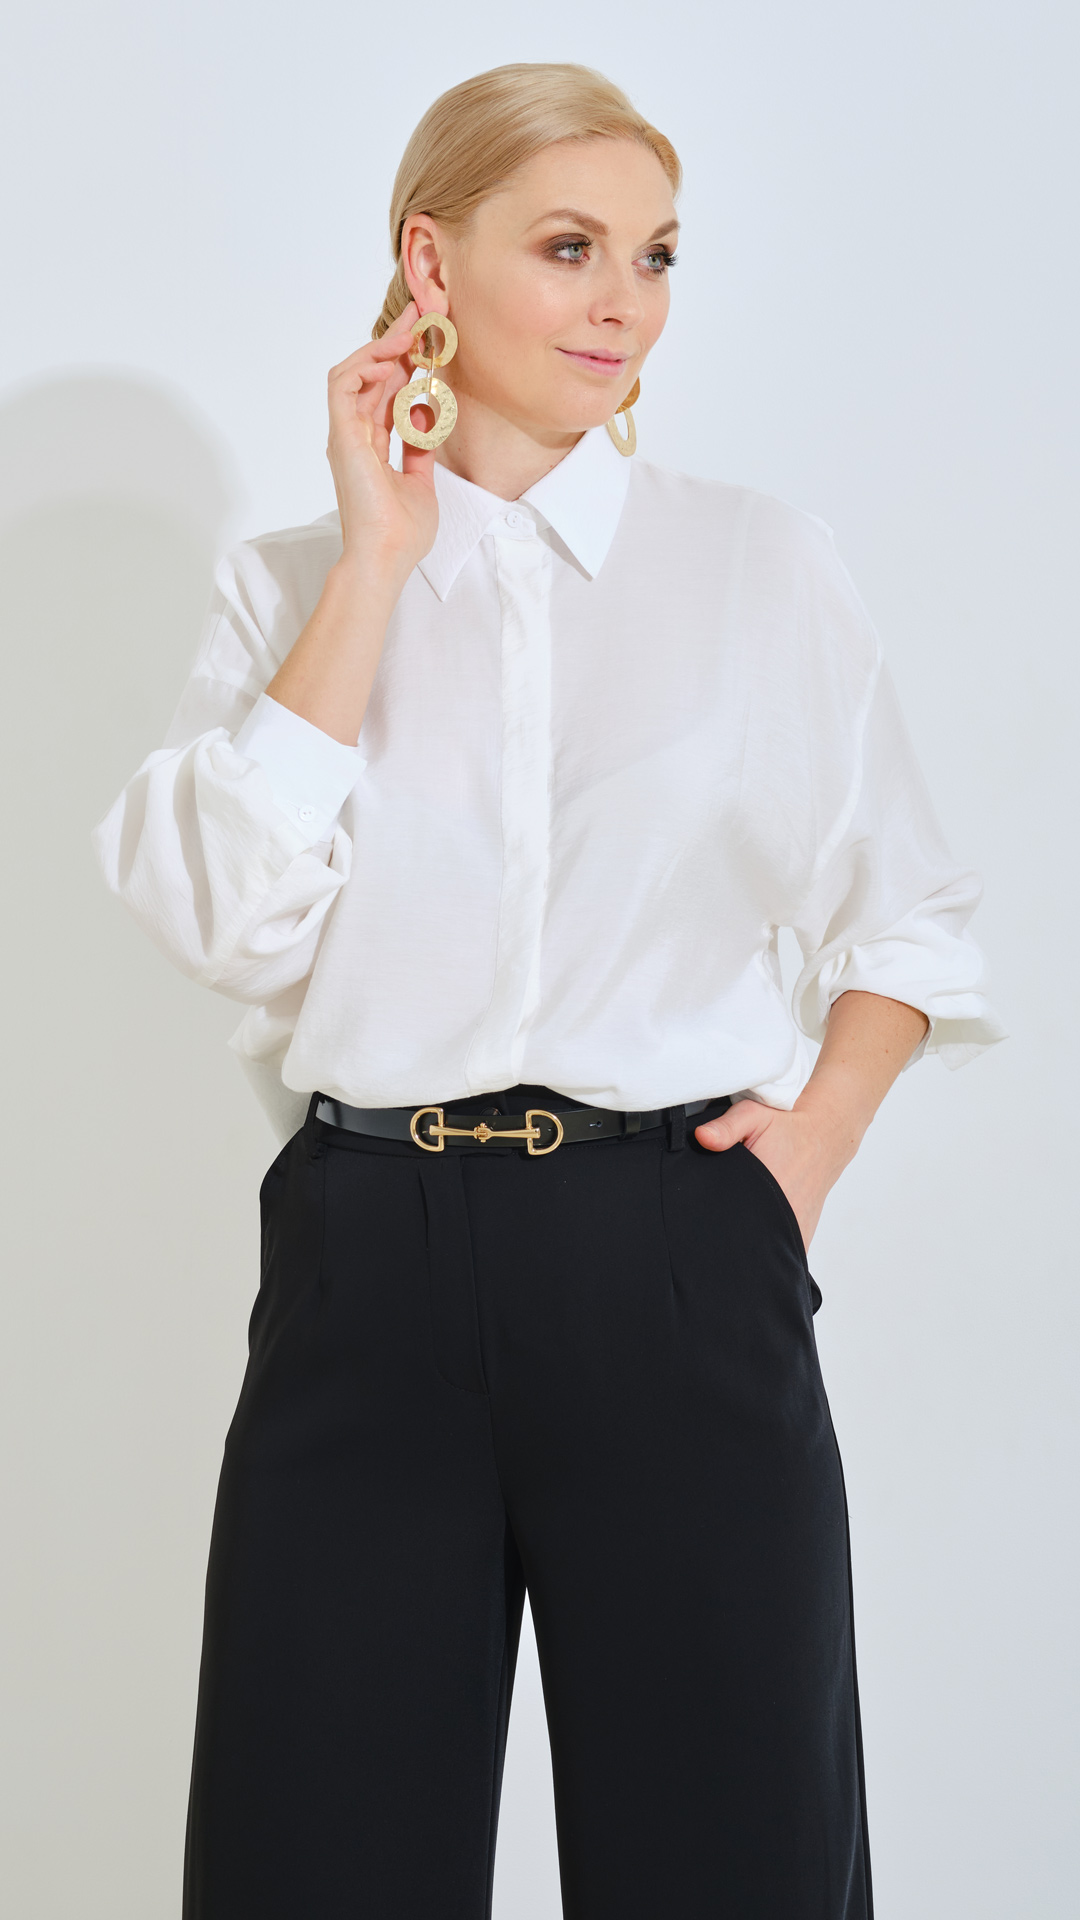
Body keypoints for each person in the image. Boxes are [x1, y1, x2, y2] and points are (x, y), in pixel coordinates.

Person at [93, 60, 1003, 1920]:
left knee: (733, 1862)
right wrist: (375, 564)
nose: (625, 304)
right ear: (430, 264)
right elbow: (226, 923)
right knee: (310, 1860)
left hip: (672, 1252)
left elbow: (906, 914)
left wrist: (806, 1156)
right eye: (571, 247)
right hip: (368, 1259)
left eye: (656, 256)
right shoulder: (290, 588)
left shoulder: (757, 566)